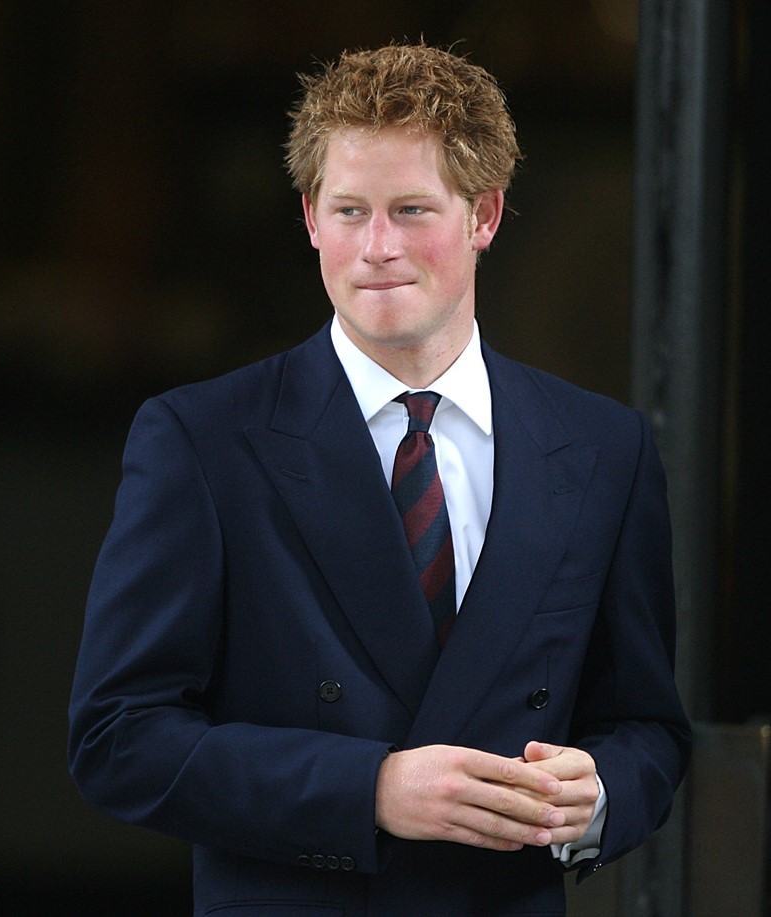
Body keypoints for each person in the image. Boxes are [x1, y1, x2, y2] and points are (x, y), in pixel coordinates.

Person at [68, 42, 690, 916]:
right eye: (350, 210)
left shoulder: (602, 448)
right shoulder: (202, 440)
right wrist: (371, 790)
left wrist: (598, 797)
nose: (378, 248)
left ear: (486, 215)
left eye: (411, 210)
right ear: (311, 218)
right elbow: (117, 736)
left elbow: (647, 727)